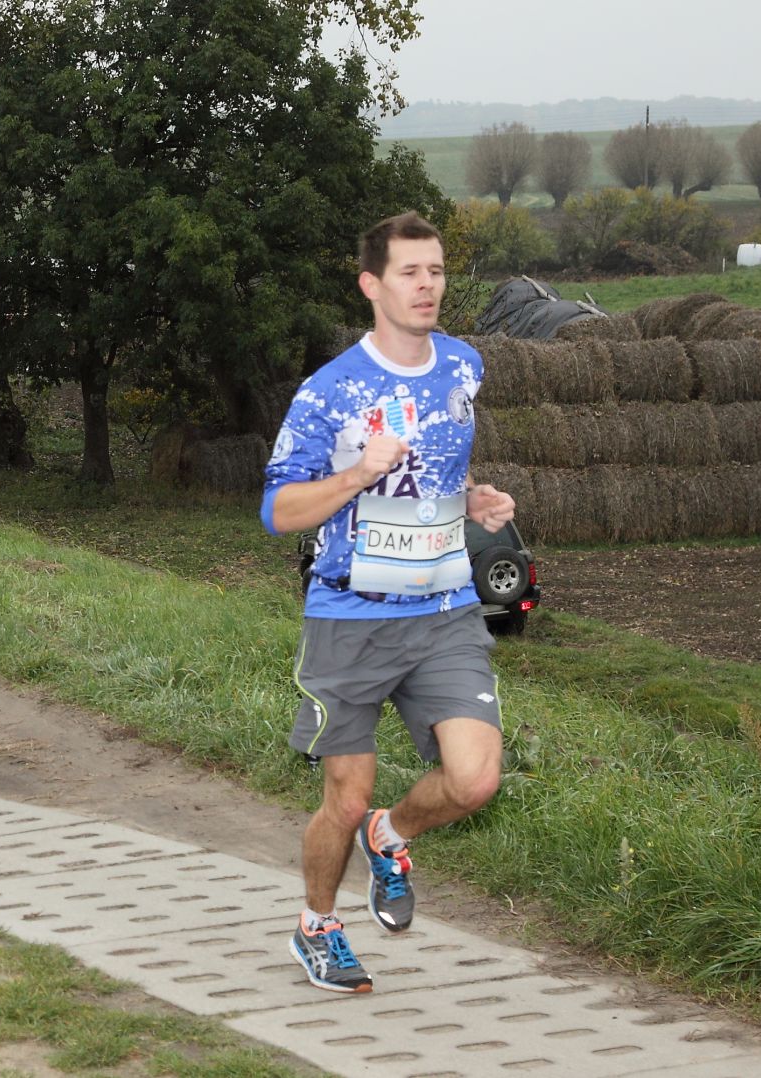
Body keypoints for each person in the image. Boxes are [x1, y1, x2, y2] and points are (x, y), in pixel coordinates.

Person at [261, 211, 516, 995]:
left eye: (435, 270)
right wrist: (355, 475)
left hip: (442, 609)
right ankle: (317, 927)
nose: (426, 285)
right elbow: (279, 512)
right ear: (371, 285)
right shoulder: (329, 391)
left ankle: (392, 834)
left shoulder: (463, 366)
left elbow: (433, 473)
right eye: (409, 272)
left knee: (474, 781)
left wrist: (469, 501)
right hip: (349, 618)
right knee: (345, 798)